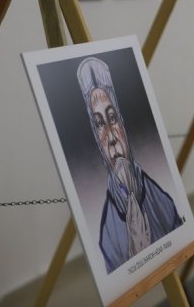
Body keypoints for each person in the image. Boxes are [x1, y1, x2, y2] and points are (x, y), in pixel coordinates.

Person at [77, 57, 182, 274]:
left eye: (112, 118)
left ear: (122, 125)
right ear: (96, 138)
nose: (111, 138)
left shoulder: (160, 199)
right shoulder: (109, 236)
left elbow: (179, 235)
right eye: (99, 124)